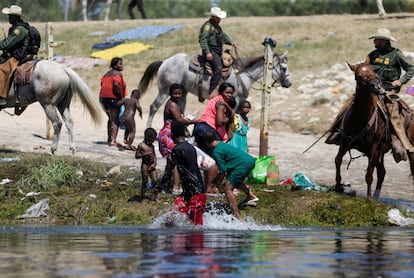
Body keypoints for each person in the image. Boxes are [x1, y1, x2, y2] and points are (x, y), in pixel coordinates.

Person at [326, 28, 414, 163]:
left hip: (388, 90)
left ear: (384, 41)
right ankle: (337, 132)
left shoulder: (396, 55)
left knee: (393, 112)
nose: (374, 41)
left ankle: (399, 142)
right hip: (371, 89)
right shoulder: (372, 55)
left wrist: (400, 81)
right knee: (348, 106)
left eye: (377, 39)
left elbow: (411, 68)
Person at [204, 131, 258, 221]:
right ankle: (251, 196)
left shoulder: (216, 152)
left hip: (242, 164)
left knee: (227, 188)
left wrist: (217, 184)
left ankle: (238, 216)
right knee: (233, 179)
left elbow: (223, 170)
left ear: (206, 143)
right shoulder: (221, 144)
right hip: (249, 160)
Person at [193, 82, 235, 194]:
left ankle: (203, 186)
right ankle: (210, 187)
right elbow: (220, 122)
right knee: (218, 160)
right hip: (209, 130)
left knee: (206, 160)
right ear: (221, 92)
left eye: (231, 93)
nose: (229, 95)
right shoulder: (221, 103)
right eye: (227, 92)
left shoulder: (215, 100)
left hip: (200, 128)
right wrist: (230, 116)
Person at [157, 83, 199, 194]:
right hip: (169, 135)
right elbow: (180, 121)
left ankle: (164, 185)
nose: (177, 95)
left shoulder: (174, 103)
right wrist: (195, 121)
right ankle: (176, 187)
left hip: (171, 133)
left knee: (171, 161)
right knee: (176, 160)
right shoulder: (173, 105)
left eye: (179, 93)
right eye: (175, 93)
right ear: (170, 94)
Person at [170, 121, 206, 225]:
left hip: (195, 193)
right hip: (192, 191)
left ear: (172, 135)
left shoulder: (177, 149)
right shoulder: (190, 147)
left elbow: (170, 170)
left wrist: (159, 185)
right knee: (172, 216)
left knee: (196, 226)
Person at [199, 6, 237, 101]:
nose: (219, 19)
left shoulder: (216, 26)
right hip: (211, 51)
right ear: (213, 17)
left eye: (219, 17)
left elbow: (223, 36)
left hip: (218, 51)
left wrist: (230, 42)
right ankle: (211, 91)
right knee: (218, 68)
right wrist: (207, 52)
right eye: (218, 17)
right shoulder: (208, 26)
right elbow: (203, 40)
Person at [0, 5, 30, 107]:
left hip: (17, 57)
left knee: (2, 69)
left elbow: (8, 43)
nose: (8, 18)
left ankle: (2, 97)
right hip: (14, 55)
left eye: (10, 16)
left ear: (15, 17)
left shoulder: (19, 30)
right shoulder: (17, 28)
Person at [99, 57, 127, 147]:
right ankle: (113, 140)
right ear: (115, 66)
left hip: (103, 98)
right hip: (113, 98)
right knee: (115, 120)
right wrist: (121, 97)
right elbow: (116, 85)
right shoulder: (117, 74)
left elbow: (102, 84)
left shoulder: (107, 74)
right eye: (120, 64)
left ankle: (109, 138)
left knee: (110, 119)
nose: (122, 65)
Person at [134, 127, 158, 202]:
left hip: (152, 165)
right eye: (152, 139)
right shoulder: (141, 145)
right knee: (145, 181)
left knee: (155, 180)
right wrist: (144, 154)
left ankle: (155, 196)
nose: (153, 141)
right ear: (148, 137)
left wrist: (154, 163)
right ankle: (143, 198)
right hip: (145, 165)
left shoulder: (152, 146)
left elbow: (154, 156)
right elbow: (137, 156)